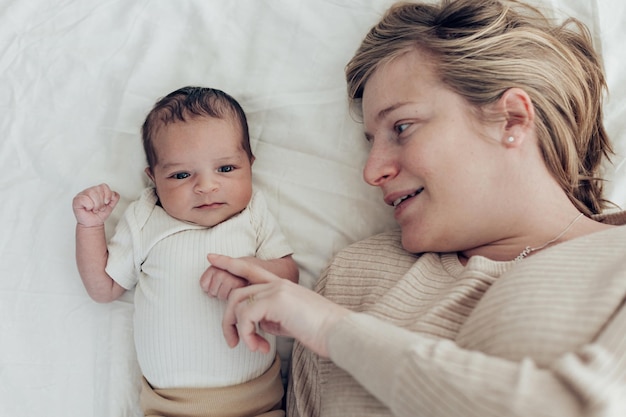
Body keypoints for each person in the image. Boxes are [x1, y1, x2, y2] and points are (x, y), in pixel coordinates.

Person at [200, 1, 626, 416]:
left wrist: (333, 330)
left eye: (401, 127)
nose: (371, 171)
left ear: (512, 119)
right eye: (371, 141)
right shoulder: (354, 276)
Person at [72, 86, 299, 417]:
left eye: (225, 169)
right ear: (154, 179)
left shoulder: (252, 213)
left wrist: (248, 271)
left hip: (255, 404)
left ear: (249, 163)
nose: (206, 186)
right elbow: (103, 288)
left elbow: (289, 274)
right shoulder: (146, 216)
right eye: (181, 174)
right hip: (168, 409)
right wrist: (90, 228)